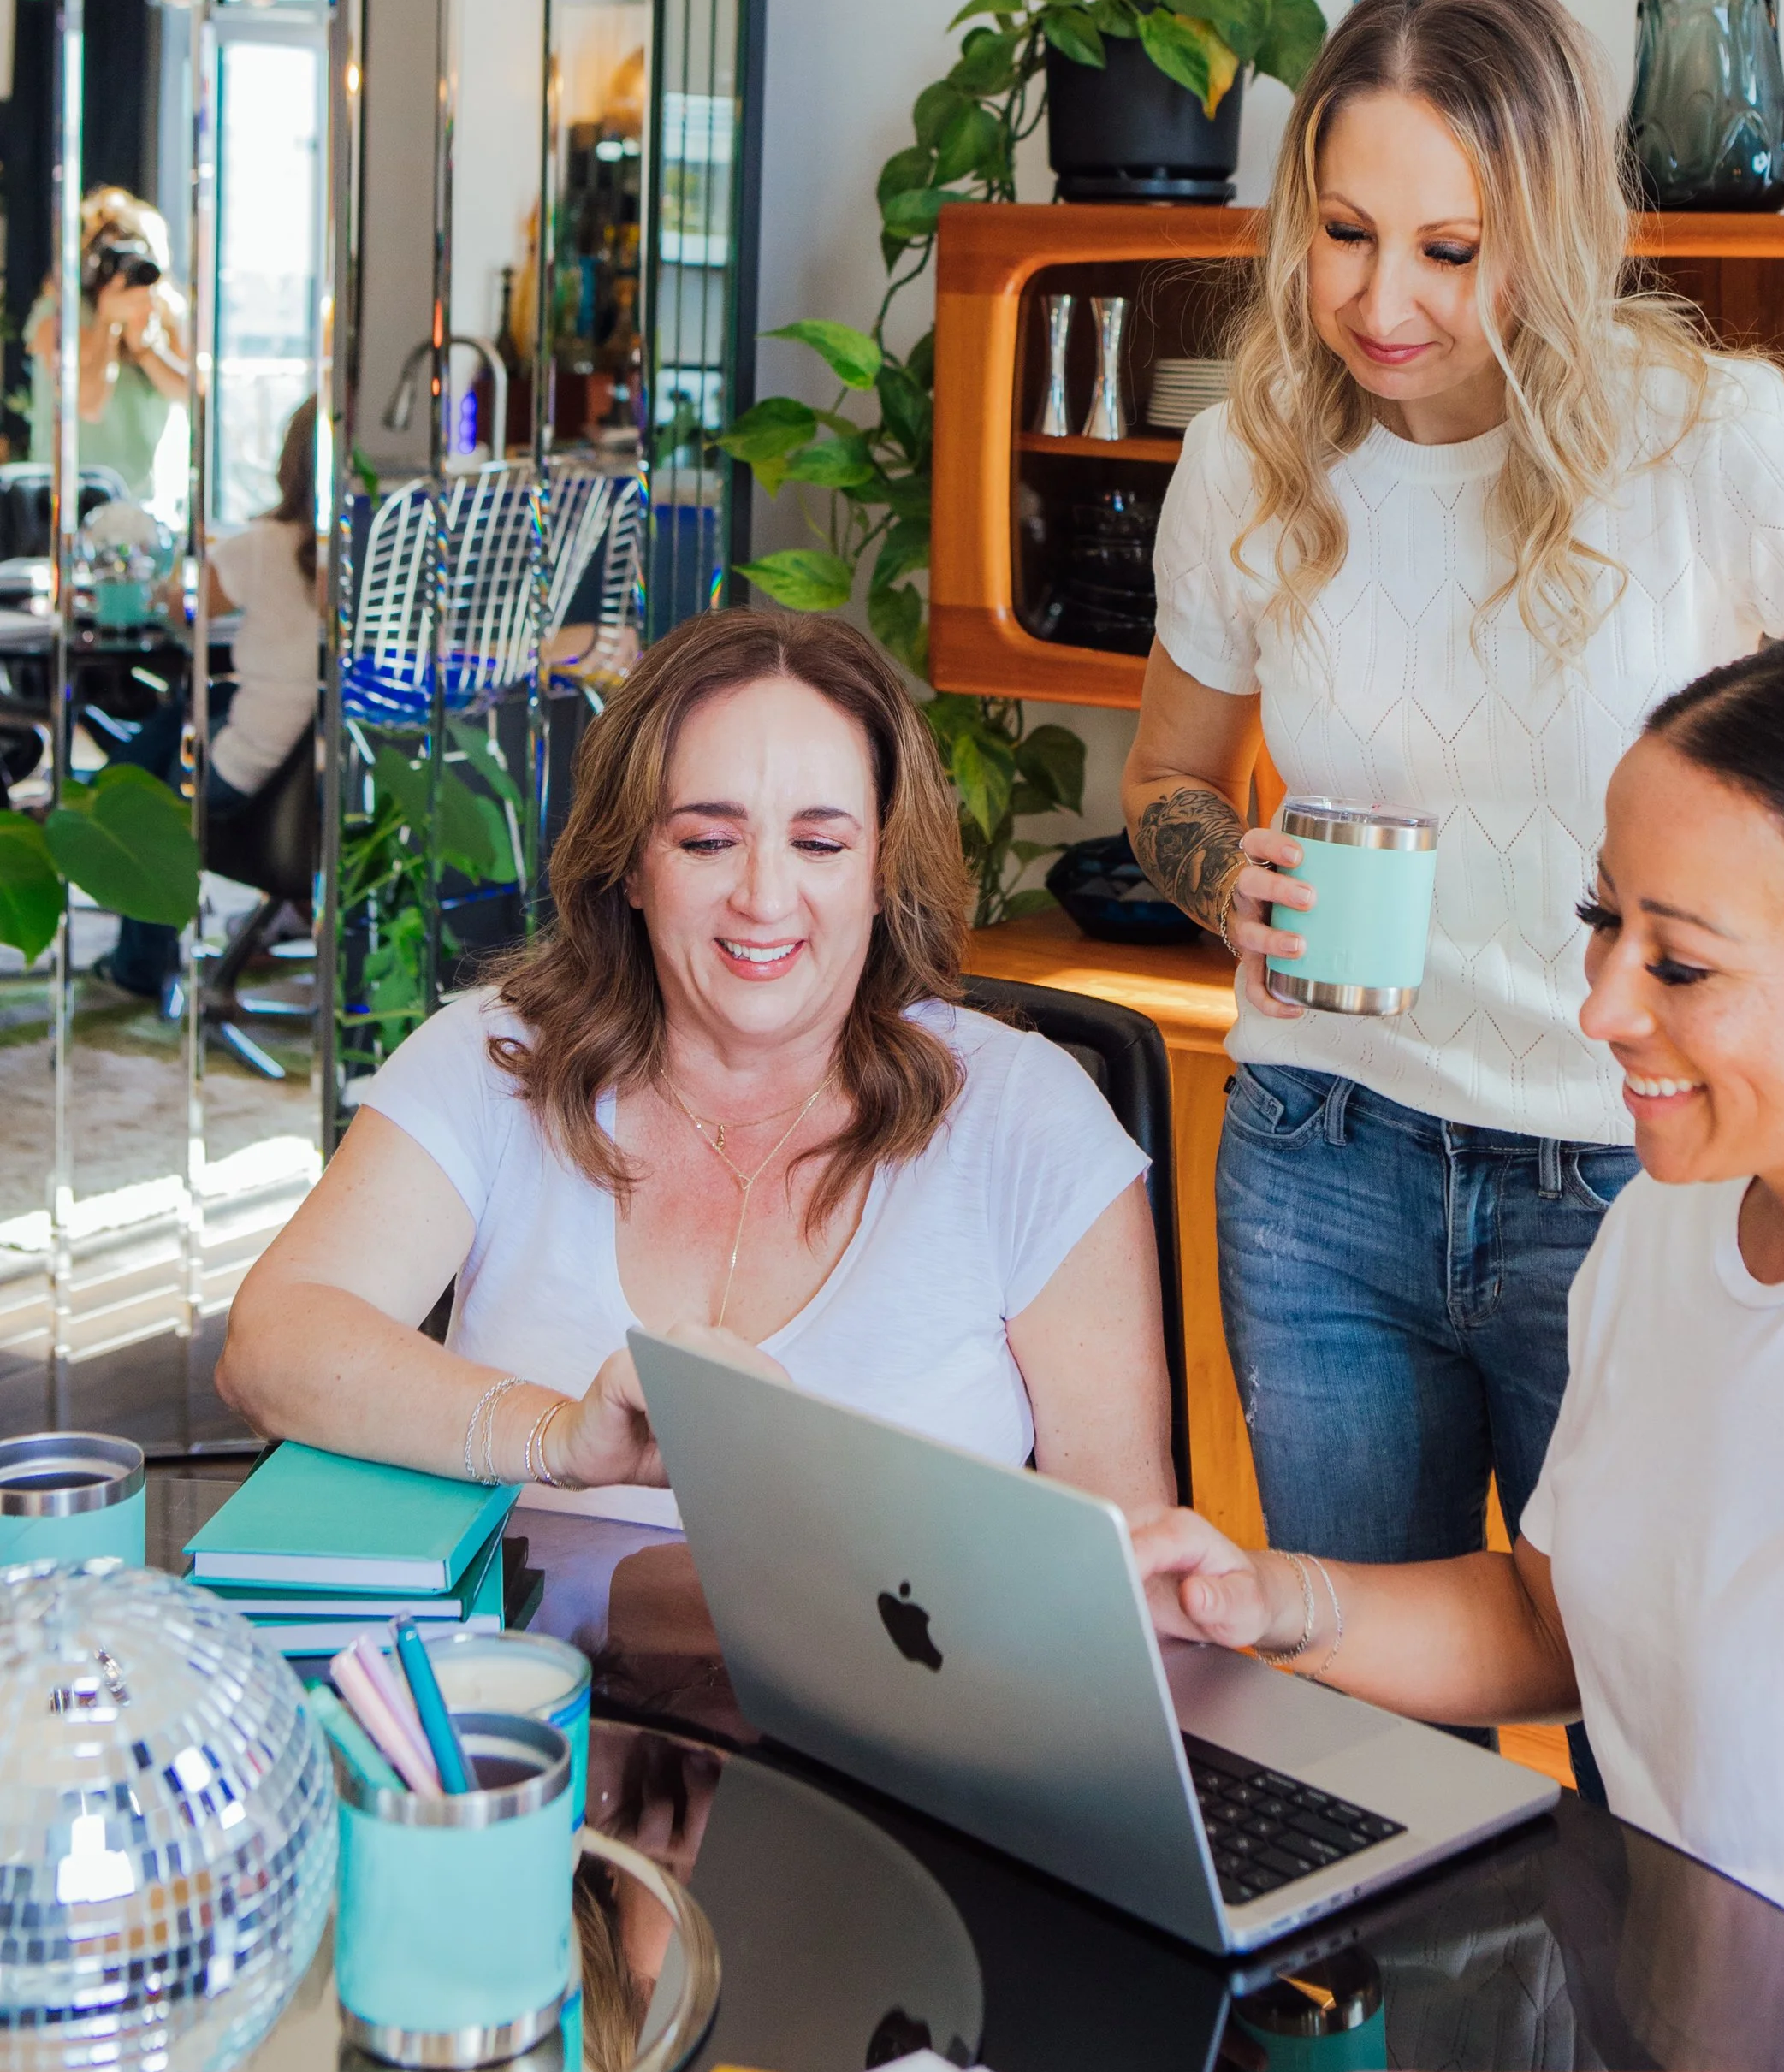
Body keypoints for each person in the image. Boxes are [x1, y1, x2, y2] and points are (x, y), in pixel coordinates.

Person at [1134, 609, 1784, 2072]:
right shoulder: (1671, 1227)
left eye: (1679, 962)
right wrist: (1270, 1603)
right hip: (1697, 2066)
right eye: (1606, 922)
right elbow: (1557, 1618)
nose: (1600, 1004)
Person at [1122, 0, 1784, 1780]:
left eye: (1452, 247)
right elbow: (1169, 782)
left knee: (1643, 1717)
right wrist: (1220, 881)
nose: (1383, 300)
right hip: (1322, 1163)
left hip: (1627, 1179)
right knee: (1346, 1729)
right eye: (1345, 234)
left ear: (1553, 234)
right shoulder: (1242, 459)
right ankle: (1378, 2070)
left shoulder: (1706, 445)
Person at [219, 606, 1176, 1522]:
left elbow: (1131, 1559)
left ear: (882, 874)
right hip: (524, 1674)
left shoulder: (1027, 1118)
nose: (763, 896)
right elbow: (272, 1345)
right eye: (708, 839)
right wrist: (558, 1437)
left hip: (902, 1690)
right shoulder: (495, 1059)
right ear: (631, 865)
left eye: (818, 842)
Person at [103, 394, 322, 1003]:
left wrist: (198, 558)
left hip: (245, 772)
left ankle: (139, 966)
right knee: (191, 713)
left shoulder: (265, 543)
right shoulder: (367, 551)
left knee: (155, 808)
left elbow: (184, 606)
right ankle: (114, 783)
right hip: (309, 774)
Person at [26, 186, 189, 506]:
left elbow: (194, 394)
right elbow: (87, 403)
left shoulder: (165, 311)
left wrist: (145, 348)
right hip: (68, 501)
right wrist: (107, 325)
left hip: (146, 505)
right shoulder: (60, 315)